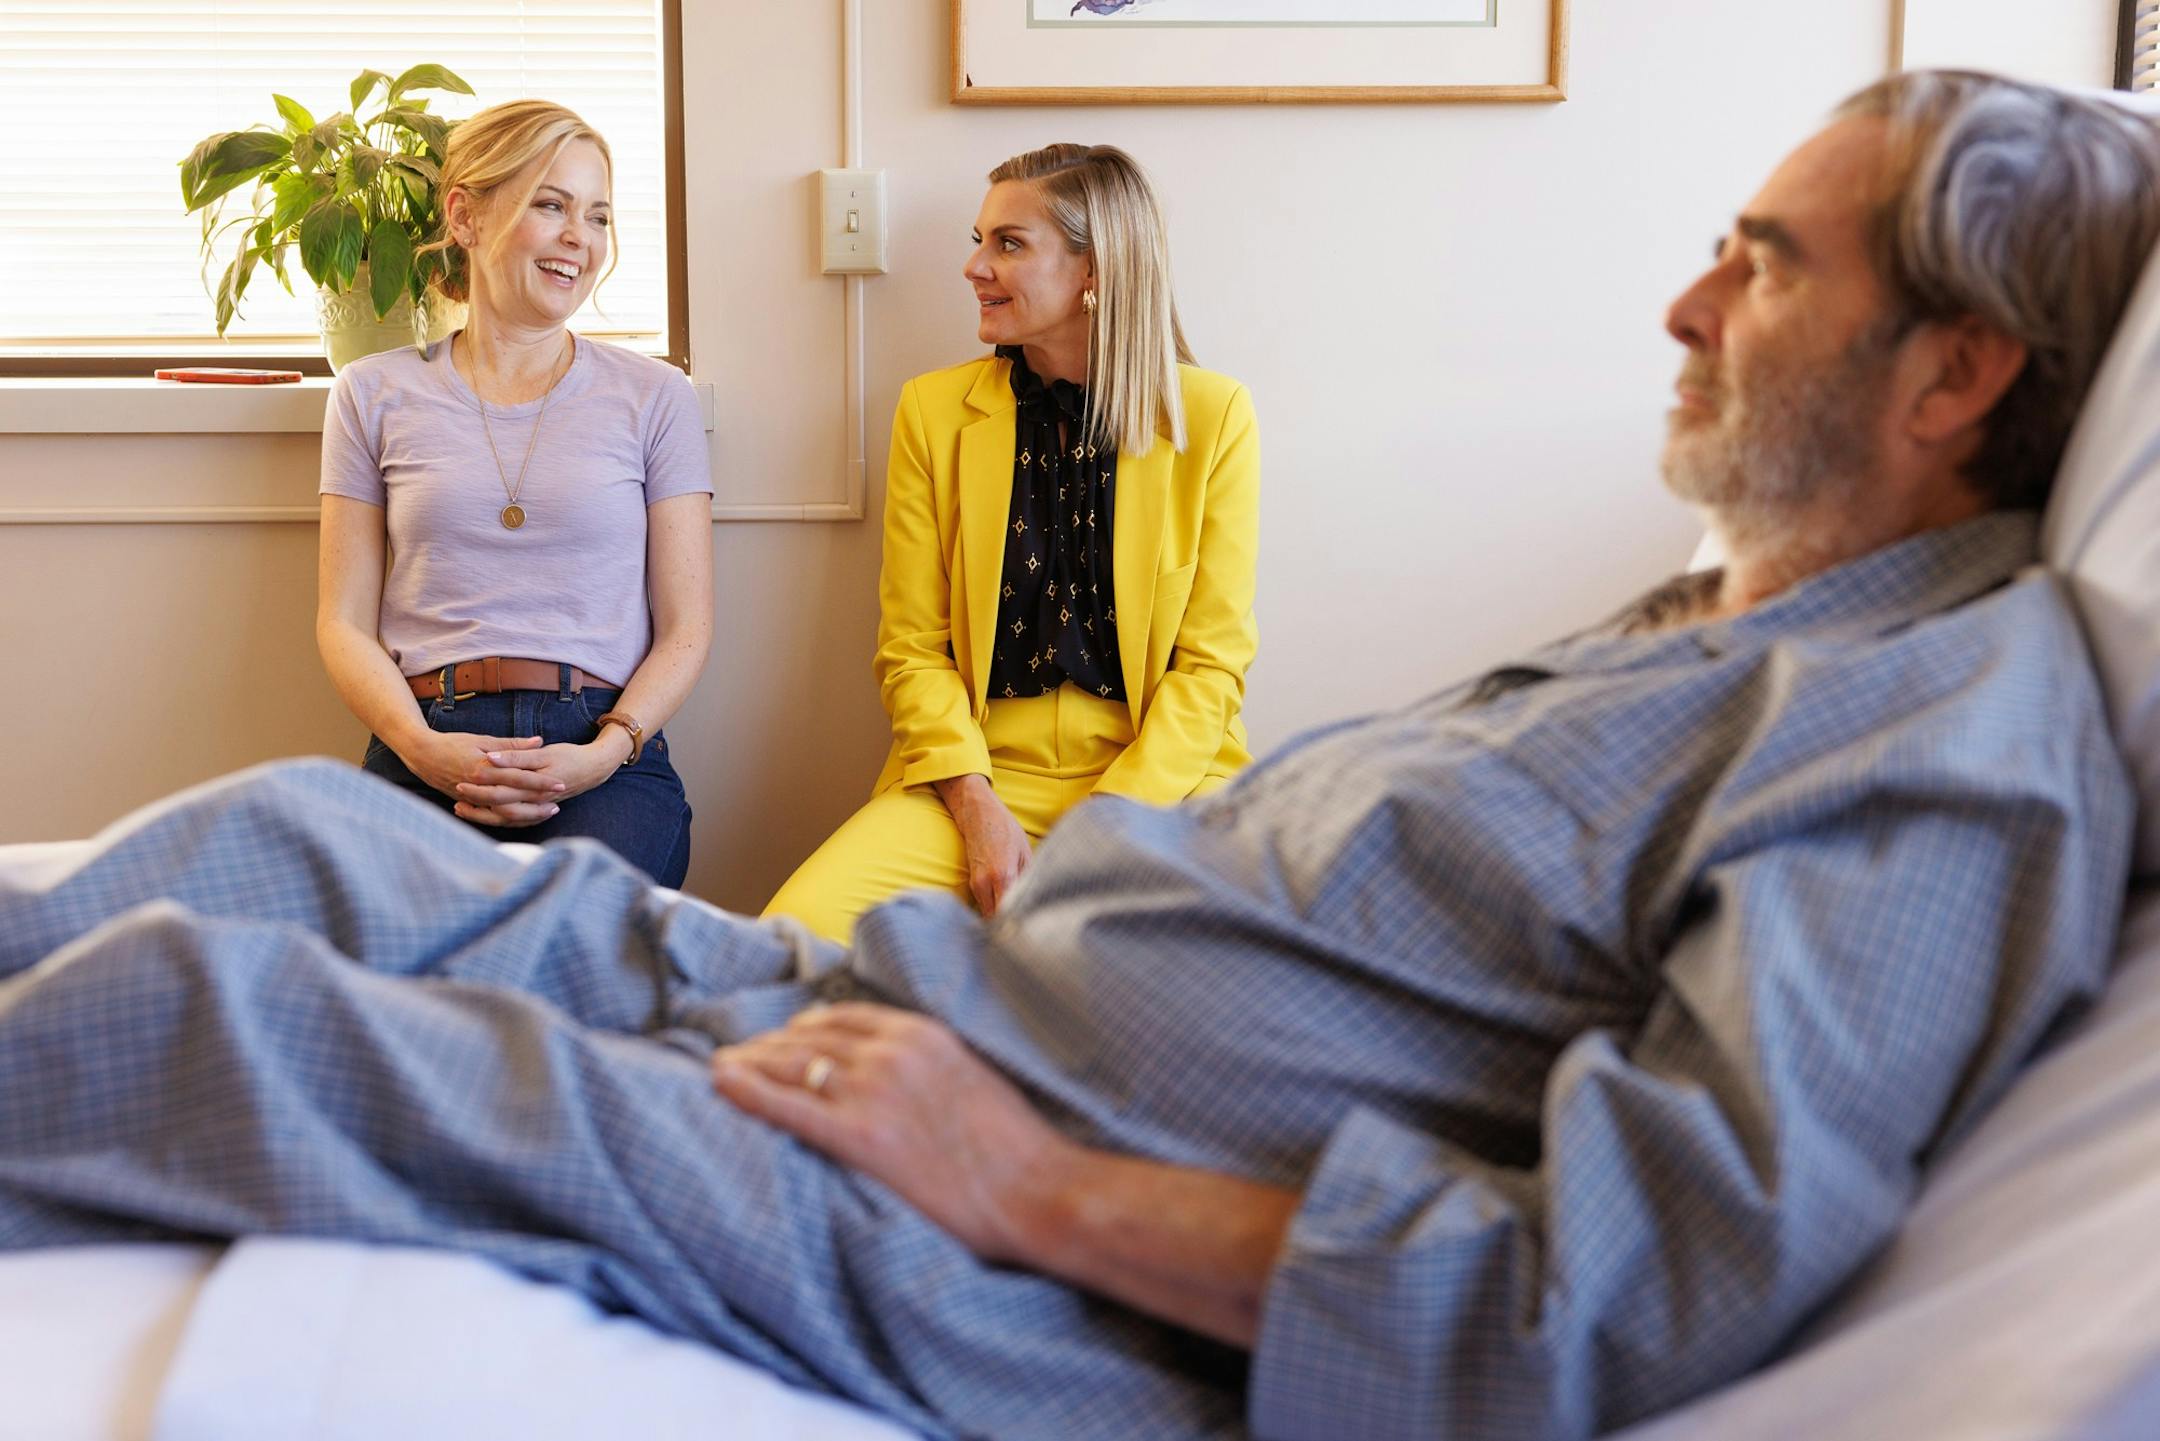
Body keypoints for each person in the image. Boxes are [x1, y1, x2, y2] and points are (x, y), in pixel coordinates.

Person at [3, 71, 2154, 1441]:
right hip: (898, 985)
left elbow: (1602, 1296)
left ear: (1957, 368)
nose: (1687, 308)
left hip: (1001, 1229)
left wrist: (1033, 1180)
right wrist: (970, 837)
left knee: (223, 1016)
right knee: (301, 834)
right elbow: (912, 660)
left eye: (1762, 267)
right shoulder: (1733, 609)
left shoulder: (1950, 732)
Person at [762, 143, 1259, 942]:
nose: (972, 265)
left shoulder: (1211, 417)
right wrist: (976, 805)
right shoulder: (934, 411)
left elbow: (1211, 665)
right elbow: (911, 649)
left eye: (1008, 243)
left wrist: (1112, 817)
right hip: (974, 776)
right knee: (793, 932)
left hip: (1161, 780)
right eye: (979, 237)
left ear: (1094, 271)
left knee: (1181, 976)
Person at [316, 99, 714, 888]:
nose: (582, 238)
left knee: (568, 946)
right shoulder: (370, 393)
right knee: (403, 968)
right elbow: (341, 623)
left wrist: (605, 751)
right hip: (423, 735)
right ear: (464, 215)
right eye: (551, 204)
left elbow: (688, 627)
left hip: (599, 744)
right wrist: (421, 747)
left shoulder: (656, 396)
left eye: (598, 216)